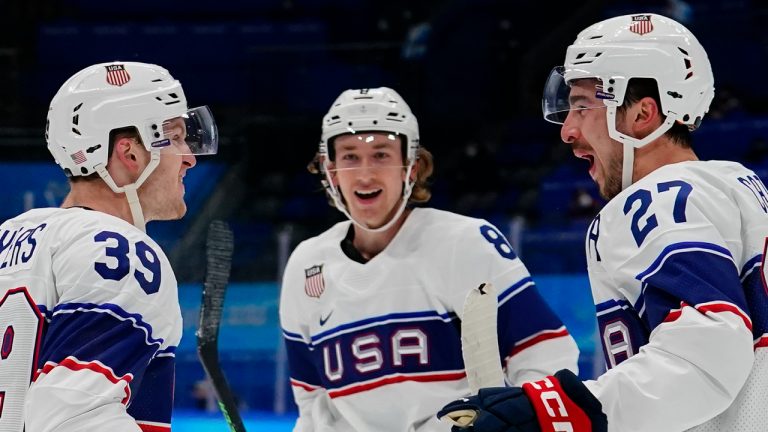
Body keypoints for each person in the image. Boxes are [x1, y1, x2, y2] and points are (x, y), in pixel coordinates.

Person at [438, 12, 767, 432]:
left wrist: (557, 410)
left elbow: (706, 355)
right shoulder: (739, 185)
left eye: (580, 105)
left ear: (642, 115)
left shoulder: (657, 198)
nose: (567, 131)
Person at [279, 87, 579, 431]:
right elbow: (314, 405)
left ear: (412, 165)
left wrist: (519, 421)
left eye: (381, 155)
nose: (365, 175)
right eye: (349, 156)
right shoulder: (306, 265)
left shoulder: (464, 243)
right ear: (329, 169)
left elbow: (545, 358)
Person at [0, 61, 218, 431]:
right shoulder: (121, 252)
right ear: (130, 154)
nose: (190, 157)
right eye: (177, 138)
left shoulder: (9, 236)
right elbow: (74, 419)